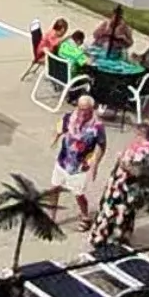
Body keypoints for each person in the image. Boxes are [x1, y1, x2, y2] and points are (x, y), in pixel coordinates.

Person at [91, 123, 149, 248]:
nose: (134, 137)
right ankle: (108, 236)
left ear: (141, 135)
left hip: (125, 189)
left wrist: (123, 163)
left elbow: (138, 171)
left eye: (136, 134)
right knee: (112, 211)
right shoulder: (139, 147)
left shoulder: (145, 151)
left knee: (117, 212)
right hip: (118, 185)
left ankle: (110, 239)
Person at [48, 95, 105, 226]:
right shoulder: (69, 117)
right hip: (63, 161)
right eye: (81, 109)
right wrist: (55, 138)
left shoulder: (97, 127)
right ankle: (51, 217)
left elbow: (101, 146)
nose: (83, 113)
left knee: (78, 194)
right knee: (54, 188)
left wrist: (95, 164)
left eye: (86, 110)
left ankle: (85, 217)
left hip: (80, 166)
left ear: (92, 109)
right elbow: (59, 128)